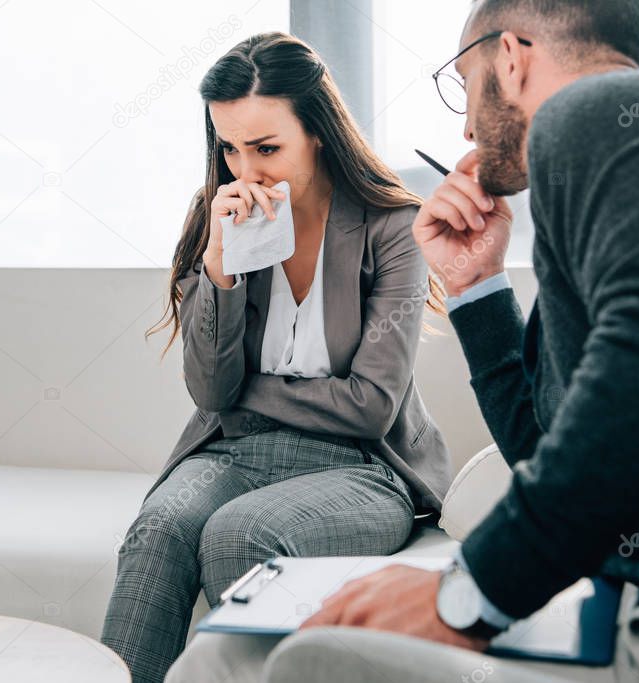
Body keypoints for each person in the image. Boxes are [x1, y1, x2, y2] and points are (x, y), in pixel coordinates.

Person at [254, 1, 639, 682]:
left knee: (283, 659)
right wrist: (474, 286)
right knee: (247, 654)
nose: (466, 126)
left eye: (463, 86)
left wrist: (473, 592)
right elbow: (547, 450)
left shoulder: (593, 111)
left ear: (513, 56)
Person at [100, 31, 452, 683]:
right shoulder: (221, 220)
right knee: (161, 526)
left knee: (241, 533)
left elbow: (370, 408)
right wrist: (220, 274)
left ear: (318, 132)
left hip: (360, 466)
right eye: (228, 147)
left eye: (266, 148)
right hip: (235, 451)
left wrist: (249, 390)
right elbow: (211, 388)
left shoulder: (391, 228)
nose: (245, 170)